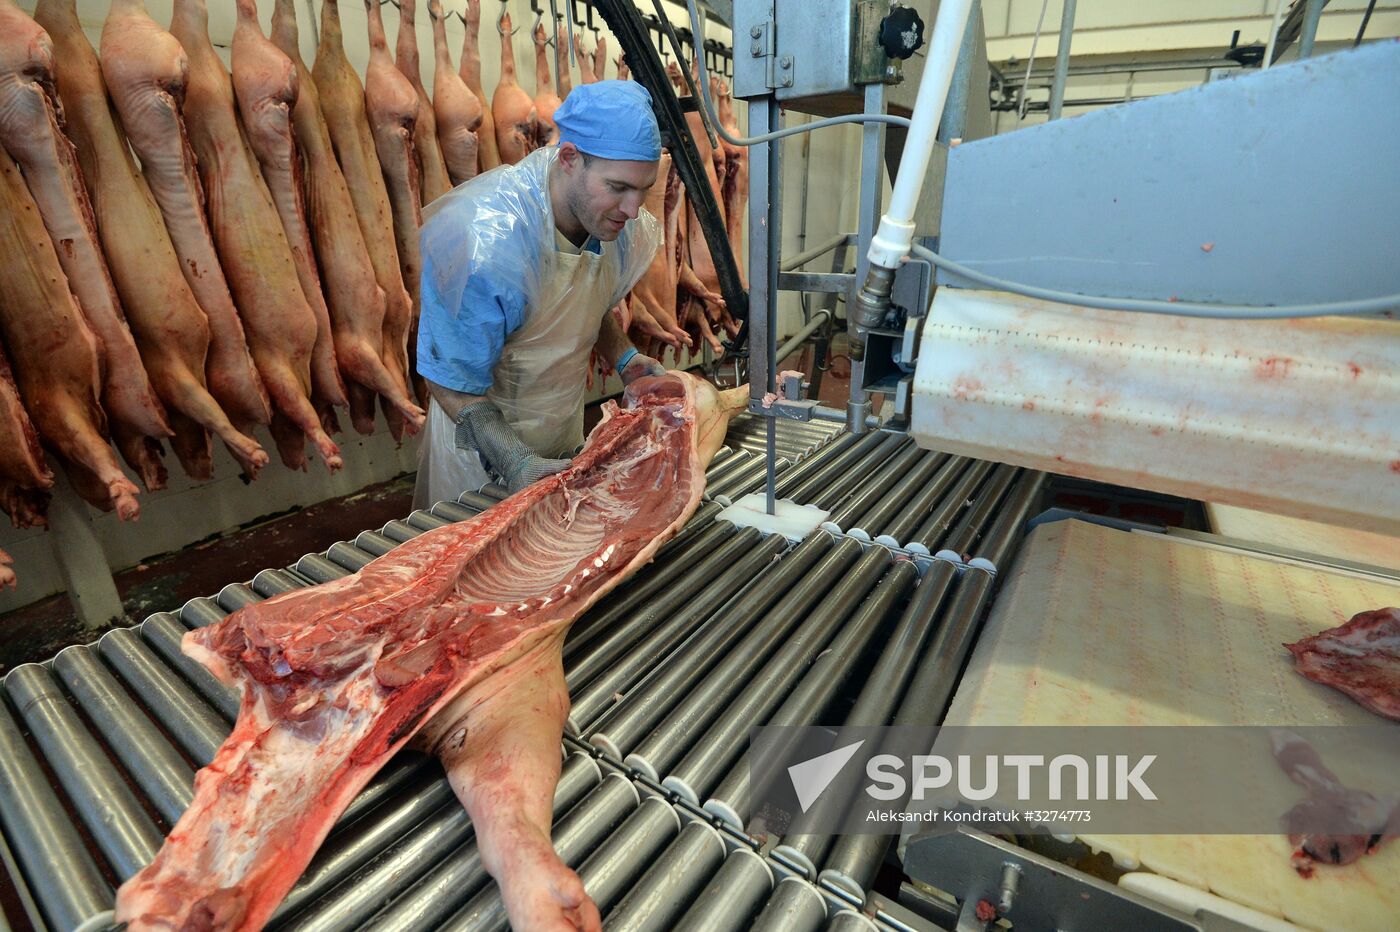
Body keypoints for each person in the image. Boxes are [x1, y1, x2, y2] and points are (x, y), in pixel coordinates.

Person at [414, 80, 667, 509]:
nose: (632, 208)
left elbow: (580, 299)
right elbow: (448, 380)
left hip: (563, 439)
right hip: (479, 459)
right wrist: (513, 459)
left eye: (644, 189)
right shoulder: (486, 241)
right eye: (618, 187)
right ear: (569, 159)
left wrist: (626, 358)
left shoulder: (617, 226)